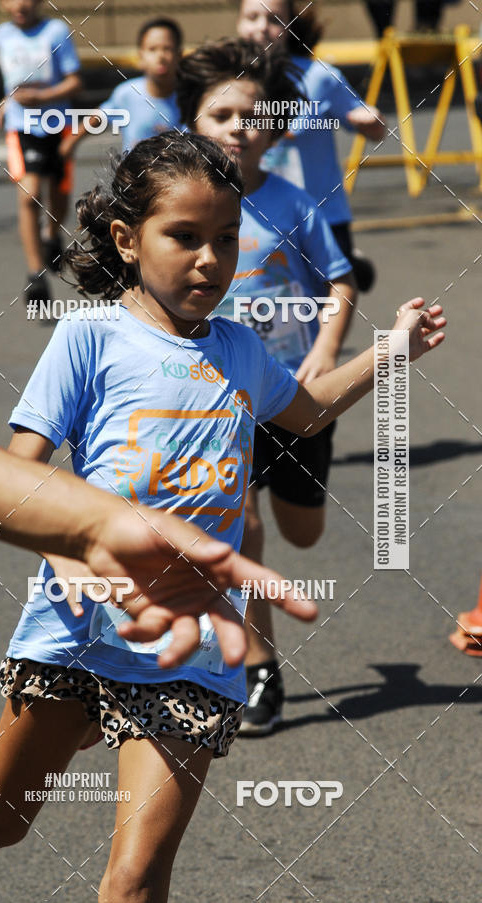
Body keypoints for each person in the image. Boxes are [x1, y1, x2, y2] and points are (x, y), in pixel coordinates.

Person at [0, 131, 445, 901]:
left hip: (193, 643)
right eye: (184, 237)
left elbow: (309, 413)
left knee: (136, 877)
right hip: (75, 627)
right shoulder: (88, 338)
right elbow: (15, 477)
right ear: (126, 240)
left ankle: (129, 717)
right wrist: (71, 564)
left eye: (227, 239)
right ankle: (95, 716)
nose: (211, 260)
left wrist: (390, 351)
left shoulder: (241, 347)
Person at [0, 376, 311, 668]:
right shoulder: (84, 332)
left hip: (171, 628)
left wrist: (94, 528)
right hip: (71, 627)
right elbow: (19, 461)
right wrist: (65, 540)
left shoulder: (241, 346)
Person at [177, 38, 356, 734]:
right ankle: (258, 667)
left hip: (296, 397)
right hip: (218, 396)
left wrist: (327, 351)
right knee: (240, 524)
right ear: (192, 123)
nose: (236, 127)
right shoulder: (182, 206)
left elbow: (340, 281)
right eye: (219, 113)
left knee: (300, 534)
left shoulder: (293, 201)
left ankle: (256, 648)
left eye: (250, 114)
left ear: (273, 126)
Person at [237, 0, 386, 293]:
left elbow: (376, 128)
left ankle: (347, 265)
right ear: (238, 23)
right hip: (256, 217)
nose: (261, 28)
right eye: (251, 17)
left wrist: (370, 120)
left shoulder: (320, 77)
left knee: (325, 309)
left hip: (321, 217)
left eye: (274, 20)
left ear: (290, 26)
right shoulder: (228, 82)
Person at [0, 0, 82, 306]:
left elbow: (74, 81)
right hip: (22, 128)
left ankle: (51, 234)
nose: (20, 4)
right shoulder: (2, 35)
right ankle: (35, 274)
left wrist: (42, 96)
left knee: (59, 195)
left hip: (57, 125)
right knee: (28, 194)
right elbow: (13, 83)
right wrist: (6, 103)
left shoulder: (56, 32)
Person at [58, 16, 184, 158]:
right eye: (152, 49)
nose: (160, 56)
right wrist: (72, 140)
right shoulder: (127, 93)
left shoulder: (188, 98)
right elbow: (100, 116)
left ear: (179, 55)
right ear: (140, 56)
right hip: (133, 177)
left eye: (167, 49)